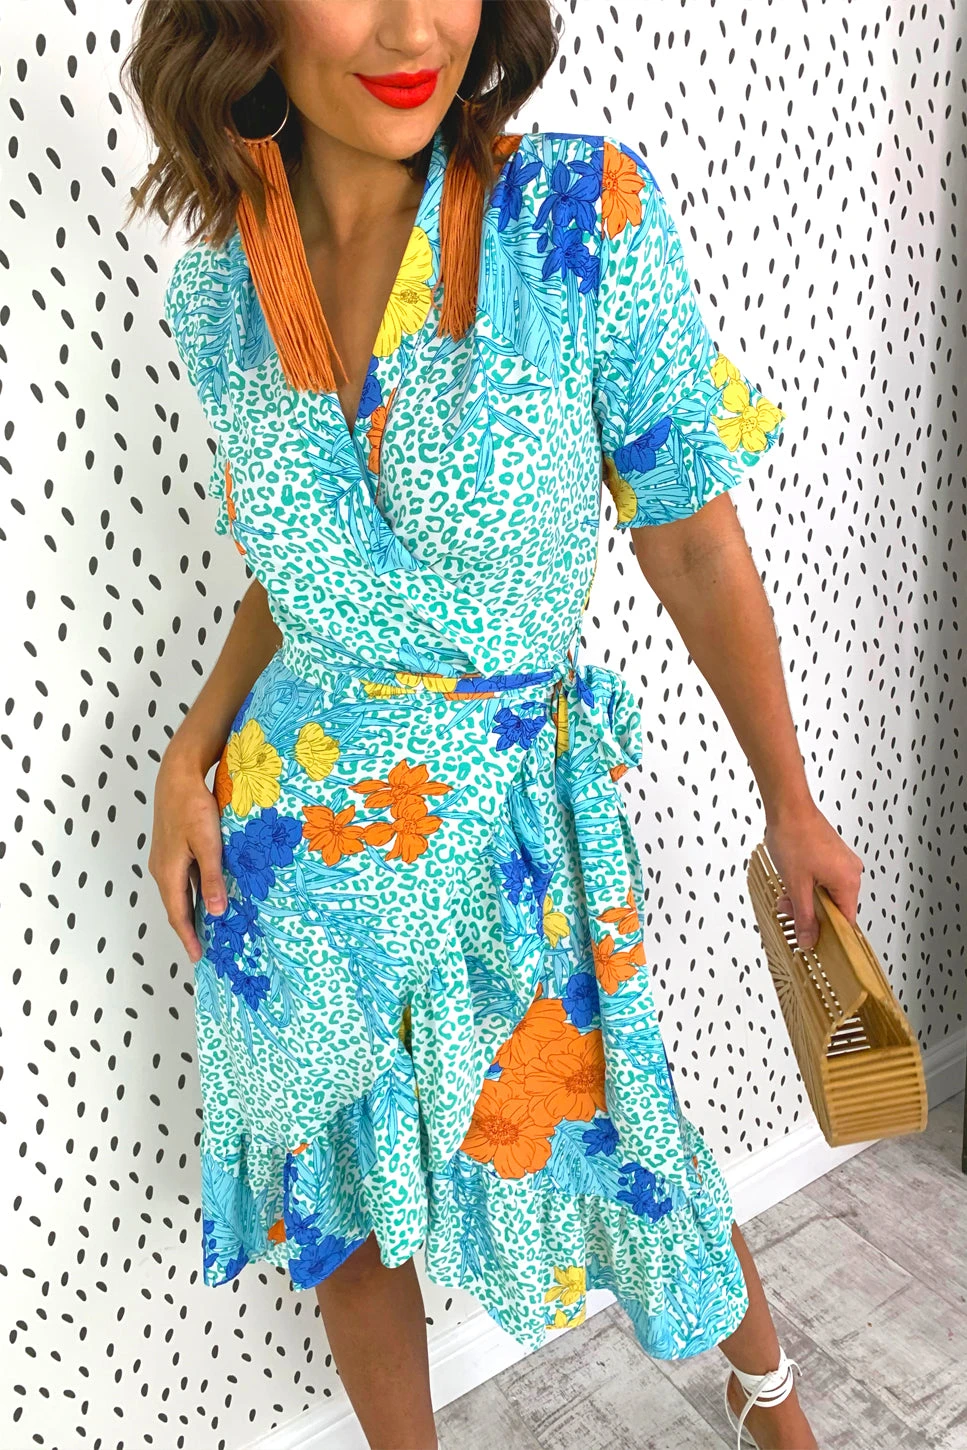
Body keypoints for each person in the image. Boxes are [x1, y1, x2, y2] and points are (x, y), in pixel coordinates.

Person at [125, 2, 863, 1447]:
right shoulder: (224, 291)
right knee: (337, 1196)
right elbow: (293, 575)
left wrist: (790, 801)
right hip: (293, 854)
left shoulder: (575, 218)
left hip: (515, 838)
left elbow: (690, 539)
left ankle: (774, 1408)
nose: (414, 27)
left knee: (632, 1147)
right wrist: (185, 757)